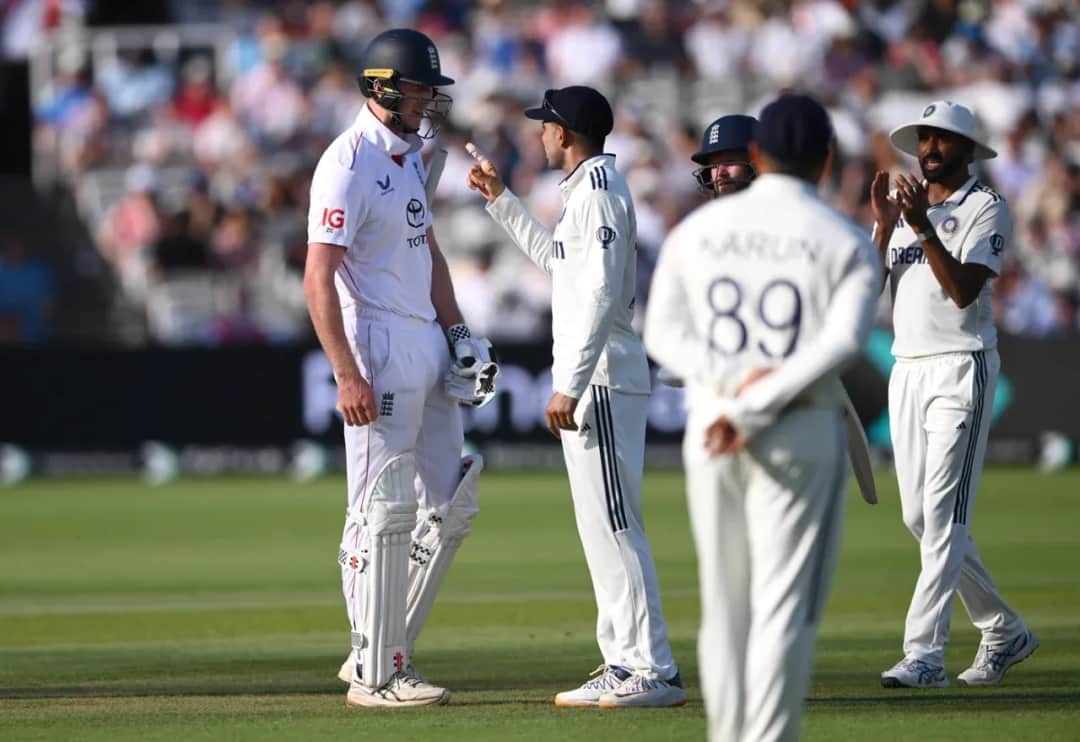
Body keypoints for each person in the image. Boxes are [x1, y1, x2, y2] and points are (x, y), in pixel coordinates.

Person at [644, 94, 880, 741]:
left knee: (724, 611)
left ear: (755, 155)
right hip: (798, 425)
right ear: (828, 158)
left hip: (712, 425)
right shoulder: (847, 239)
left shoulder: (696, 233)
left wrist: (728, 390)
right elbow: (842, 344)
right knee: (784, 612)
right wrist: (757, 397)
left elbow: (661, 335)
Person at [466, 86, 685, 708]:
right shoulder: (583, 195)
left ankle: (654, 668)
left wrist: (571, 380)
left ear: (567, 133)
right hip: (596, 379)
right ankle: (622, 661)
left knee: (617, 526)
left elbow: (599, 298)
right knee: (601, 530)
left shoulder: (600, 194)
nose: (540, 134)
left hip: (605, 380)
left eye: (546, 126)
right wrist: (502, 202)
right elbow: (561, 269)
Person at [304, 27, 497, 708]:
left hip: (425, 337)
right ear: (382, 87)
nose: (428, 100)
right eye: (419, 89)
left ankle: (385, 649)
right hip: (378, 341)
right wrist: (346, 373)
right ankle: (374, 673)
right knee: (379, 508)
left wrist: (458, 333)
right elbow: (317, 278)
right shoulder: (346, 163)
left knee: (451, 502)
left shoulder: (411, 155)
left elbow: (428, 252)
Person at [873, 100, 1038, 689]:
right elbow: (874, 291)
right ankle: (1004, 628)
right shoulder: (901, 209)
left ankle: (924, 654)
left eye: (943, 140)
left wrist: (920, 227)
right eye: (925, 139)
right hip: (906, 366)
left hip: (959, 367)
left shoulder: (987, 208)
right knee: (919, 516)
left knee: (943, 515)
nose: (929, 149)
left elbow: (965, 290)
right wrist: (881, 228)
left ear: (969, 150)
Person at [691, 113, 757, 197]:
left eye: (730, 162)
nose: (721, 173)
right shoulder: (712, 210)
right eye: (714, 165)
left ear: (758, 162)